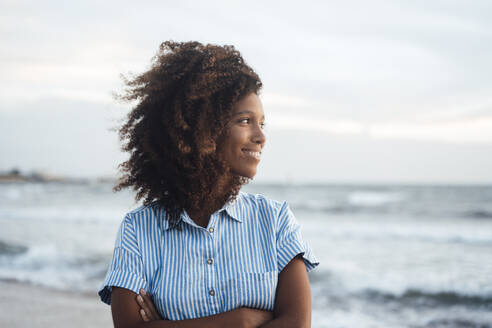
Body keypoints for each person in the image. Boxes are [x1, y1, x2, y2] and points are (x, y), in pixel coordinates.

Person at [98, 41, 319, 328]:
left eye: (262, 123)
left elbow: (297, 325)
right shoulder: (138, 230)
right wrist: (240, 321)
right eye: (245, 121)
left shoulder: (275, 221)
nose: (260, 137)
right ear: (202, 128)